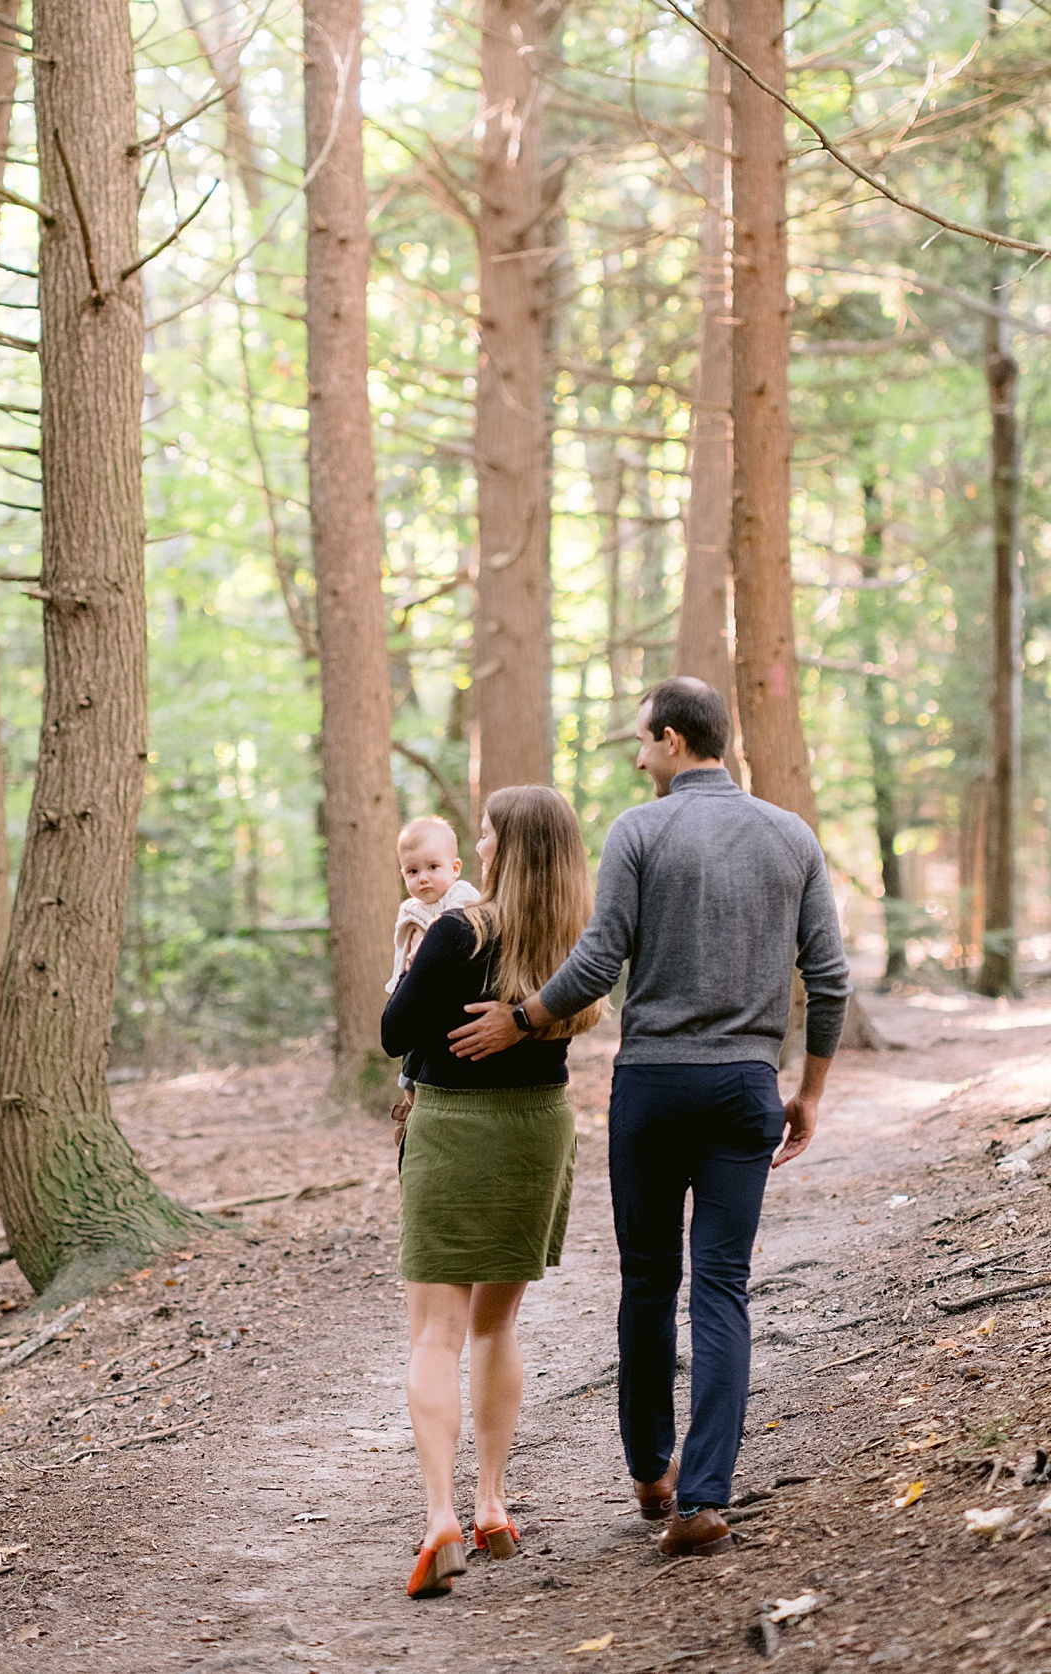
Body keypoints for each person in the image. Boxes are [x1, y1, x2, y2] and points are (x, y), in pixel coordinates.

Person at [448, 677, 851, 1558]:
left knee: (645, 1283)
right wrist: (810, 1090)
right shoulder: (792, 835)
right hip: (747, 1085)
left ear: (672, 740)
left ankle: (649, 1470)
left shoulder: (641, 828)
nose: (636, 759)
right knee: (721, 1290)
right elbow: (830, 978)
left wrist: (522, 1018)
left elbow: (597, 962)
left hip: (653, 1090)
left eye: (640, 742)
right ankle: (703, 1499)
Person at [381, 786, 602, 1598]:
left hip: (454, 1130)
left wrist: (411, 973)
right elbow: (587, 1012)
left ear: (508, 846)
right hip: (538, 1128)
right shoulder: (578, 933)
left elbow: (392, 1034)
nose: (476, 848)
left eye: (485, 834)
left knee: (434, 1333)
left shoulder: (457, 928)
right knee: (497, 1323)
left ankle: (441, 1514)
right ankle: (493, 1504)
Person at [386, 817, 481, 1139]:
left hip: (454, 994)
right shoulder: (410, 909)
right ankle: (410, 1104)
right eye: (413, 872)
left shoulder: (461, 895)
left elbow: (454, 928)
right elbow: (402, 951)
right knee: (412, 1056)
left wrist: (428, 953)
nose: (423, 879)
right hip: (417, 994)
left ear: (454, 868)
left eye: (432, 868)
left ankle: (423, 1106)